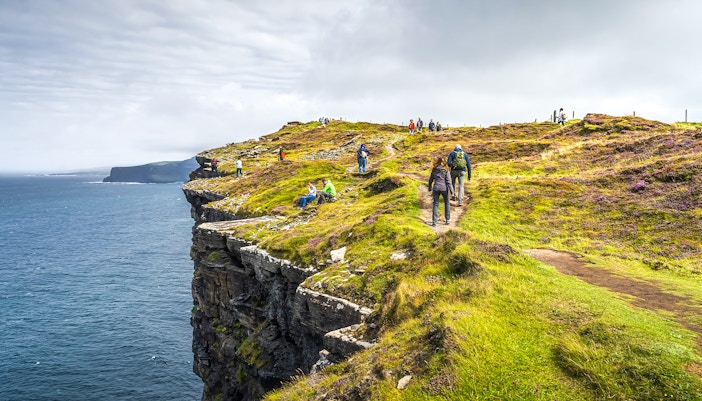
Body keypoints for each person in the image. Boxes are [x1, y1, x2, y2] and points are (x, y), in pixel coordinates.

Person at [428, 156, 454, 226]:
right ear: (444, 162)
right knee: (447, 203)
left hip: (436, 188)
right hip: (444, 189)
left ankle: (434, 222)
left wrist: (429, 187)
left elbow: (430, 180)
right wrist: (452, 192)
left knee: (435, 204)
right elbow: (449, 182)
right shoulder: (446, 170)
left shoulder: (434, 170)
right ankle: (447, 220)